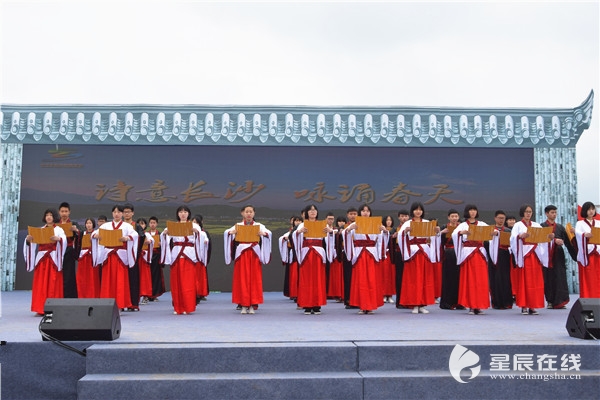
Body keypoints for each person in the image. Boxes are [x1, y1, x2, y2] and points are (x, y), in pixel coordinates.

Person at [224, 205, 272, 314]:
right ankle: (243, 304)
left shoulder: (259, 225)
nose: (249, 214)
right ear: (242, 213)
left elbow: (268, 233)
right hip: (241, 255)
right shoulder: (238, 225)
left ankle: (252, 304)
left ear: (254, 213)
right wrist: (230, 234)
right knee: (242, 278)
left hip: (254, 254)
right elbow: (227, 232)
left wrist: (263, 234)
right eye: (247, 212)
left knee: (254, 279)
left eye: (251, 211)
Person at [161, 206, 208, 315]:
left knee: (188, 283)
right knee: (176, 282)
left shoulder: (194, 225)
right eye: (180, 212)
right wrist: (165, 234)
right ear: (178, 214)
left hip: (189, 255)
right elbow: (165, 237)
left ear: (188, 214)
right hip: (176, 254)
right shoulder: (173, 225)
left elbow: (201, 238)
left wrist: (197, 233)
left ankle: (188, 306)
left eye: (185, 212)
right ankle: (178, 307)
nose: (183, 214)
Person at [92, 204, 139, 311]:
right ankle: (107, 304)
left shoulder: (127, 226)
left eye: (119, 212)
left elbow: (135, 235)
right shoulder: (106, 226)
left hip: (120, 257)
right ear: (112, 213)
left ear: (122, 214)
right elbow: (94, 233)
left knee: (120, 281)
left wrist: (127, 237)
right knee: (108, 280)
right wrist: (95, 236)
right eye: (115, 212)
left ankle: (120, 304)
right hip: (108, 256)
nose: (117, 214)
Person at [343, 204, 387, 314]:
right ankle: (362, 306)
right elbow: (345, 234)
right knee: (361, 280)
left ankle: (371, 305)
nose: (365, 213)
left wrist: (384, 231)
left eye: (367, 211)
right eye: (363, 211)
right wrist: (348, 229)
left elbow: (381, 240)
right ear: (360, 213)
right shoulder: (355, 224)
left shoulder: (376, 224)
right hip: (359, 254)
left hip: (371, 254)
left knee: (371, 280)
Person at [398, 202, 440, 314]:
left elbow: (433, 238)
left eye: (420, 209)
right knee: (414, 279)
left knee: (424, 278)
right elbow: (400, 236)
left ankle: (422, 304)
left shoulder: (427, 223)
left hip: (424, 252)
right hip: (412, 253)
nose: (418, 211)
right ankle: (414, 304)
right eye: (416, 209)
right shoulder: (407, 223)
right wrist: (405, 232)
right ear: (412, 211)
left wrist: (436, 232)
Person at [509, 204, 550, 315]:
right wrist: (520, 236)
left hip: (535, 254)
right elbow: (512, 239)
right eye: (526, 211)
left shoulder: (536, 225)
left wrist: (548, 237)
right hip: (524, 254)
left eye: (530, 211)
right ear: (523, 212)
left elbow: (542, 238)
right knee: (524, 280)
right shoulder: (517, 225)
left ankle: (533, 305)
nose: (528, 213)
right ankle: (524, 306)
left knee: (535, 280)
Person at [23, 209, 66, 315]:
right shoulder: (40, 229)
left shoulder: (59, 229)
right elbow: (33, 243)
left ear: (54, 217)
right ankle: (40, 307)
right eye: (47, 215)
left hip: (53, 259)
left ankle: (53, 308)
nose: (49, 217)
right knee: (41, 284)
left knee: (53, 283)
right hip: (42, 259)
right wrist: (28, 240)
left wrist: (59, 239)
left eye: (51, 215)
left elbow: (63, 241)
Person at [452, 204, 491, 315]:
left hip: (480, 254)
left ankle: (479, 305)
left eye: (474, 210)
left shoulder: (482, 224)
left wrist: (495, 233)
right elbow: (455, 234)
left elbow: (491, 231)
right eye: (470, 210)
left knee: (481, 280)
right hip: (468, 254)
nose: (473, 212)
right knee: (470, 280)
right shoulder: (463, 225)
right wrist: (461, 233)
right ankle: (470, 305)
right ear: (467, 212)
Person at [293, 204, 332, 314]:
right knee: (306, 279)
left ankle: (317, 304)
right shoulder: (302, 225)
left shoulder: (322, 224)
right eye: (310, 210)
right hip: (306, 254)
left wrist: (329, 233)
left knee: (318, 278)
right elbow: (295, 237)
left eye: (314, 210)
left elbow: (330, 238)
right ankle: (307, 305)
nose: (312, 212)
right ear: (306, 213)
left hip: (318, 254)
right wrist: (299, 233)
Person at [541, 205, 578, 309]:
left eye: (555, 212)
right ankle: (550, 301)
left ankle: (560, 301)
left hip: (558, 255)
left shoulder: (560, 227)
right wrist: (553, 241)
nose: (554, 214)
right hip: (546, 256)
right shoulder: (542, 226)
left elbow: (568, 243)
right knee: (548, 278)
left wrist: (577, 256)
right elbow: (539, 241)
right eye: (552, 212)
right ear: (547, 213)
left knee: (560, 278)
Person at [487, 210, 514, 309]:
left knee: (506, 279)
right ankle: (496, 302)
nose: (501, 220)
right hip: (493, 257)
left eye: (503, 218)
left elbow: (513, 244)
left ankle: (507, 302)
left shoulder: (508, 231)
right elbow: (485, 243)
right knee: (494, 279)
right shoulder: (489, 230)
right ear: (495, 218)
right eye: (499, 218)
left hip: (505, 256)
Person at [575, 201, 600, 298]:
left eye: (593, 209)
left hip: (597, 252)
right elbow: (577, 235)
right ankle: (587, 298)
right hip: (587, 254)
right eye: (589, 209)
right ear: (585, 211)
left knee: (598, 277)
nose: (591, 211)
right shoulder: (580, 223)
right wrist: (584, 235)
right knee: (588, 278)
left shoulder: (598, 223)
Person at [439, 209, 462, 310]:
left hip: (460, 254)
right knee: (448, 278)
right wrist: (441, 233)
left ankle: (459, 302)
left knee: (459, 278)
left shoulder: (462, 226)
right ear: (448, 217)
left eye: (456, 216)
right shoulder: (444, 227)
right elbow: (438, 242)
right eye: (452, 216)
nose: (454, 218)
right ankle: (447, 303)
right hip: (448, 254)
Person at [123, 203, 144, 311]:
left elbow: (141, 237)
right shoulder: (119, 225)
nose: (127, 214)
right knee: (122, 280)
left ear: (132, 213)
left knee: (133, 279)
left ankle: (133, 303)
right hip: (121, 256)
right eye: (125, 212)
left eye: (129, 212)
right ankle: (122, 303)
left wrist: (136, 251)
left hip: (132, 256)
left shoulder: (136, 226)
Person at [58, 202, 80, 298]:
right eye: (62, 211)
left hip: (69, 250)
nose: (64, 213)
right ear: (59, 212)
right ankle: (58, 295)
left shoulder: (73, 223)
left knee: (69, 274)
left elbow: (81, 233)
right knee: (58, 274)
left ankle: (69, 297)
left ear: (69, 212)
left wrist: (76, 231)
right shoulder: (56, 224)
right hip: (57, 251)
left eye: (66, 211)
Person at [75, 218, 101, 298]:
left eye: (90, 223)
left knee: (93, 277)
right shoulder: (82, 234)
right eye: (87, 223)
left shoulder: (96, 233)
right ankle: (82, 295)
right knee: (82, 278)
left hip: (92, 258)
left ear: (93, 224)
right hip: (83, 258)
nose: (88, 225)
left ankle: (93, 295)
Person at [279, 215, 301, 302]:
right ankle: (294, 293)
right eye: (296, 221)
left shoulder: (303, 231)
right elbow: (282, 239)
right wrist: (284, 239)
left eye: (299, 221)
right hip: (293, 255)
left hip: (301, 254)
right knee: (293, 274)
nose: (297, 222)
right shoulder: (290, 232)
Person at [192, 214, 211, 303]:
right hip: (191, 258)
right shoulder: (188, 232)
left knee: (200, 277)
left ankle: (200, 293)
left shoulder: (204, 233)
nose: (194, 224)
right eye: (193, 222)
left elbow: (208, 246)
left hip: (200, 259)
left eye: (196, 222)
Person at [326, 215, 345, 302]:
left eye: (343, 221)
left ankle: (343, 294)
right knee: (336, 276)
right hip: (334, 255)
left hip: (344, 254)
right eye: (339, 221)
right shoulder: (334, 231)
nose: (341, 223)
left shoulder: (346, 230)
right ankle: (336, 294)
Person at [136, 217, 155, 305]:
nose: (141, 225)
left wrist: (149, 242)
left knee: (144, 277)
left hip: (143, 259)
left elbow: (152, 240)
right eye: (139, 223)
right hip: (136, 258)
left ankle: (145, 295)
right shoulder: (134, 234)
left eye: (143, 223)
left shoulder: (147, 234)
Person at [147, 216, 165, 301]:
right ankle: (148, 294)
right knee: (148, 276)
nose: (152, 224)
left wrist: (162, 244)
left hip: (157, 257)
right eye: (151, 223)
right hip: (148, 257)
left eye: (154, 223)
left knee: (156, 276)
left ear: (157, 224)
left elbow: (165, 246)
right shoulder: (146, 234)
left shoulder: (160, 234)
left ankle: (155, 294)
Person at [343, 207, 358, 308]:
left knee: (357, 278)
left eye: (354, 214)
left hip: (358, 254)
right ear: (347, 215)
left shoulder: (361, 225)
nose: (353, 216)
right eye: (351, 214)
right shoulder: (345, 227)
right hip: (348, 253)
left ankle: (357, 300)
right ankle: (348, 300)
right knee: (348, 277)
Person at [394, 210, 409, 309]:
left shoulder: (412, 226)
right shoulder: (395, 229)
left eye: (406, 216)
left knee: (408, 278)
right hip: (399, 254)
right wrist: (392, 236)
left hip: (410, 254)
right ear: (399, 217)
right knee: (399, 277)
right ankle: (400, 301)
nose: (404, 218)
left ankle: (409, 300)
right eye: (402, 216)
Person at [380, 216, 396, 304]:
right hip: (382, 255)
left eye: (390, 220)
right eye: (387, 220)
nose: (388, 222)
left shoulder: (394, 230)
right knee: (383, 275)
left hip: (390, 255)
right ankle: (383, 294)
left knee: (390, 275)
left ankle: (389, 295)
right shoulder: (380, 230)